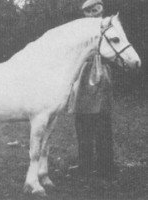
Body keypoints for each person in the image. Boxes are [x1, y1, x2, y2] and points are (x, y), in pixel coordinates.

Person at [67, 0, 117, 180]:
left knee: (102, 121)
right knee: (83, 122)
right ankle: (85, 165)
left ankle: (106, 165)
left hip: (101, 75)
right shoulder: (80, 30)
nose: (93, 14)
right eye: (89, 11)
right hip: (83, 77)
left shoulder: (108, 28)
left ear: (101, 9)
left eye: (96, 10)